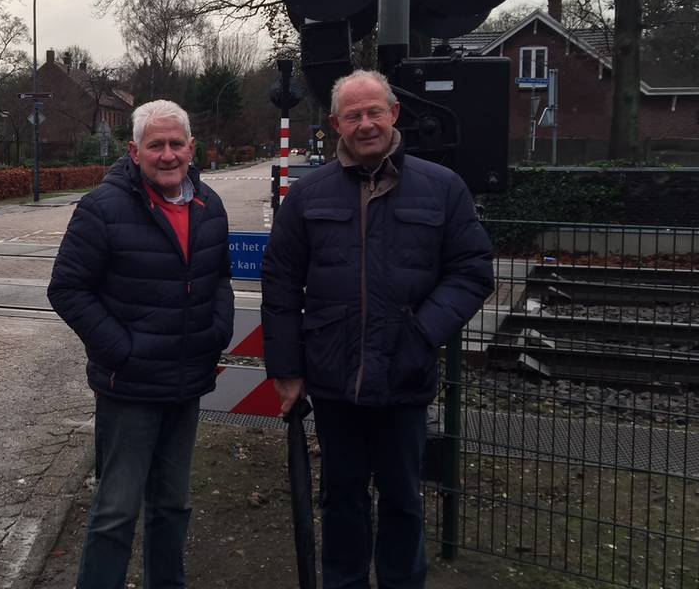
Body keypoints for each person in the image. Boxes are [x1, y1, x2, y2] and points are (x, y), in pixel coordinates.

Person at [261, 69, 493, 589]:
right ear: (335, 124)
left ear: (394, 114)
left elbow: (472, 271)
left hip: (403, 375)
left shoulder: (442, 189)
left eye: (374, 112)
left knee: (403, 500)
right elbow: (280, 283)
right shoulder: (308, 195)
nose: (365, 124)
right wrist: (287, 370)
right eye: (353, 115)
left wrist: (421, 332)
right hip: (333, 378)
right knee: (341, 497)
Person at [48, 99, 234, 589]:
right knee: (116, 511)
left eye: (176, 144)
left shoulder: (210, 207)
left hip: (186, 382)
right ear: (134, 152)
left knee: (173, 505)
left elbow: (219, 278)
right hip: (129, 388)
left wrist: (218, 330)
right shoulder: (102, 209)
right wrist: (123, 350)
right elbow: (67, 289)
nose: (167, 155)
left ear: (192, 148)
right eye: (156, 145)